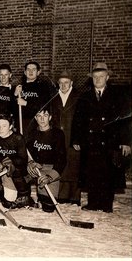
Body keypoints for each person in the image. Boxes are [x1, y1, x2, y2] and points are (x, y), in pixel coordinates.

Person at [71, 62, 131, 213]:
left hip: (110, 141)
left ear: (107, 77)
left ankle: (106, 205)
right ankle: (93, 203)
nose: (98, 79)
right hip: (90, 141)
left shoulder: (117, 96)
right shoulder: (85, 97)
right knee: (92, 173)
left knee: (108, 173)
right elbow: (77, 120)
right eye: (95, 77)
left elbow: (124, 120)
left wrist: (125, 142)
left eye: (101, 76)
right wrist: (76, 139)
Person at [0, 114, 34, 210]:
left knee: (9, 202)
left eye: (4, 126)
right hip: (0, 167)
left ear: (10, 126)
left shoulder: (18, 138)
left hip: (14, 171)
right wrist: (1, 160)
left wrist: (11, 161)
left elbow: (23, 159)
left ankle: (23, 195)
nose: (0, 129)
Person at [26, 107, 66, 212]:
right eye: (39, 116)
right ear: (35, 118)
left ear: (50, 117)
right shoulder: (31, 133)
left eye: (45, 115)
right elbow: (25, 153)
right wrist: (29, 163)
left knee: (48, 207)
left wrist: (49, 177)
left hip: (49, 170)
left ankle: (42, 197)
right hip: (35, 168)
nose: (42, 119)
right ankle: (25, 196)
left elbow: (62, 160)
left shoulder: (58, 134)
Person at [50, 70, 81, 205]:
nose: (63, 86)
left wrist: (78, 139)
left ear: (71, 83)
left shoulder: (78, 97)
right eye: (61, 83)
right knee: (61, 162)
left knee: (74, 165)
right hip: (58, 137)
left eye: (66, 83)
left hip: (73, 136)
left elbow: (82, 120)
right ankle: (62, 195)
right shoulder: (53, 97)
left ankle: (74, 197)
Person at [14, 61, 54, 137]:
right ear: (25, 72)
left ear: (38, 72)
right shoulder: (20, 87)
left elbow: (44, 105)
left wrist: (26, 103)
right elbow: (12, 109)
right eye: (28, 69)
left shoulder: (43, 87)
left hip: (36, 122)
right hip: (22, 122)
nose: (31, 72)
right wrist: (15, 95)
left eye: (34, 69)